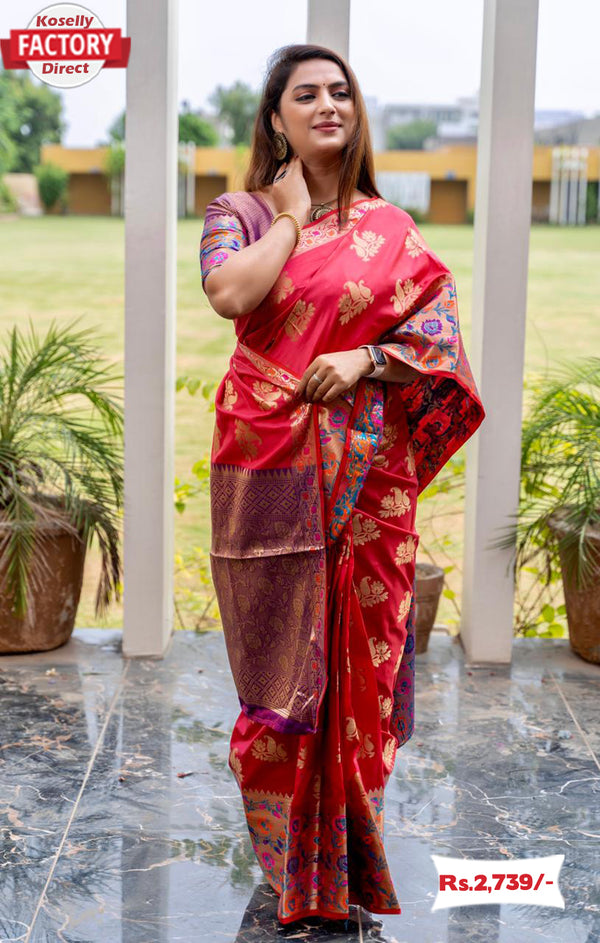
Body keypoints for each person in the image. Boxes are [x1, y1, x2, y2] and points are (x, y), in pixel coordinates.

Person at [199, 43, 485, 927]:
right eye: (306, 94)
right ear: (275, 118)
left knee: (361, 661)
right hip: (266, 462)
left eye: (341, 92)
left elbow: (437, 345)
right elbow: (227, 294)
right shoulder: (238, 212)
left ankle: (344, 868)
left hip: (366, 483)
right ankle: (288, 859)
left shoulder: (391, 229)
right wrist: (288, 218)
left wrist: (363, 357)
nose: (328, 105)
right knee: (275, 669)